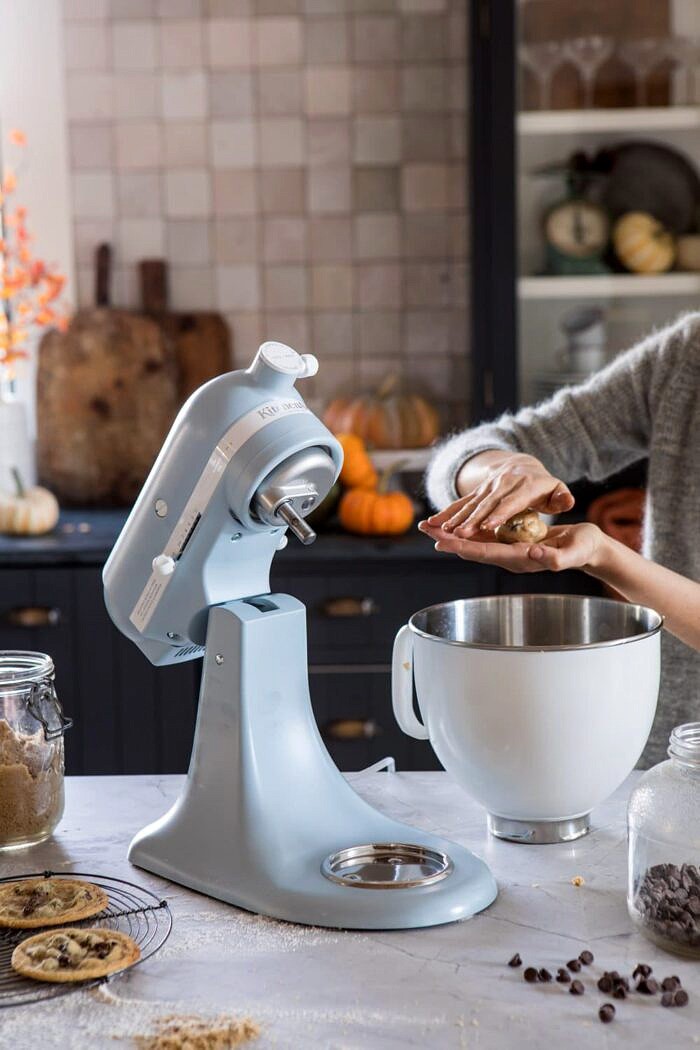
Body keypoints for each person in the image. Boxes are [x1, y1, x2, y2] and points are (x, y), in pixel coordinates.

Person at [420, 312, 700, 767]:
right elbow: (468, 454)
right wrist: (505, 473)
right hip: (655, 757)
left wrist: (607, 557)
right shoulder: (688, 354)